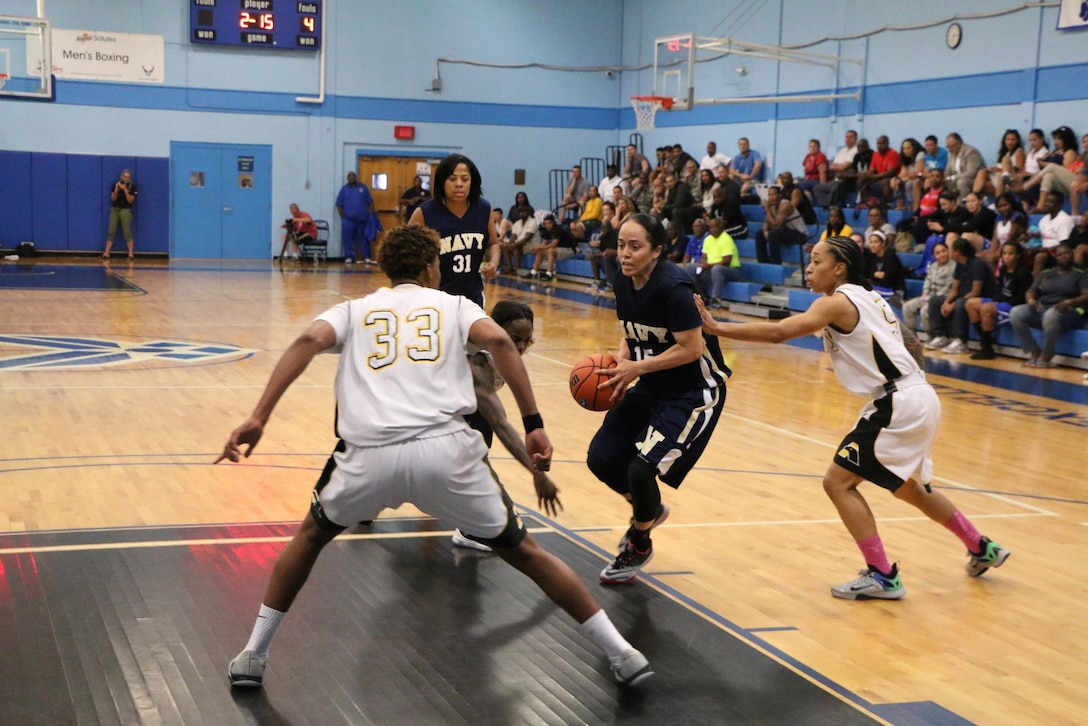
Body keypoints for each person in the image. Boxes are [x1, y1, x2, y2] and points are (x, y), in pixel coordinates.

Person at [219, 225, 653, 689]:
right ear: (431, 267)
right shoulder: (455, 305)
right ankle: (622, 653)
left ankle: (253, 655)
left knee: (308, 540)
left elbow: (306, 341)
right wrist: (534, 424)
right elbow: (502, 343)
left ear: (389, 267)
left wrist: (259, 416)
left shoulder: (353, 310)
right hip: (448, 454)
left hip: (368, 455)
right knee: (526, 552)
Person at [697, 236, 1012, 600]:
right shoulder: (874, 298)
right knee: (909, 487)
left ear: (839, 268)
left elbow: (779, 332)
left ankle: (882, 576)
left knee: (838, 483)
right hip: (918, 395)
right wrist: (913, 387)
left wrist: (718, 328)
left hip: (898, 401)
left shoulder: (835, 302)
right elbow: (913, 344)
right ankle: (980, 546)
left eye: (816, 261)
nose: (810, 268)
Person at [588, 214, 729, 586]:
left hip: (693, 391)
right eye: (621, 245)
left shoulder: (674, 289)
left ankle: (639, 541)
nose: (625, 253)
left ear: (656, 251)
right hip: (652, 382)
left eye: (635, 246)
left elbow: (691, 348)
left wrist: (636, 368)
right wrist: (622, 361)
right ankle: (647, 510)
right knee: (600, 457)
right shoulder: (622, 279)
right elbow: (631, 333)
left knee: (640, 467)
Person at [452, 300, 563, 551]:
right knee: (475, 454)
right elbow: (501, 422)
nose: (521, 346)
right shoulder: (477, 359)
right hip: (420, 410)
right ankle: (471, 525)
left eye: (527, 340)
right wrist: (538, 475)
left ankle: (468, 523)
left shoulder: (500, 355)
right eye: (515, 339)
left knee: (476, 448)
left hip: (454, 407)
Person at [410, 153, 499, 307]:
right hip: (436, 298)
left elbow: (493, 243)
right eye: (452, 179)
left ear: (472, 182)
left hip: (473, 296)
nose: (459, 184)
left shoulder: (484, 209)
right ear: (442, 183)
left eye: (465, 179)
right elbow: (403, 249)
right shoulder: (425, 212)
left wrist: (493, 263)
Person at [1009, 242, 1088, 367]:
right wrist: (1031, 301)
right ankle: (1034, 350)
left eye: (1066, 253)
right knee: (1016, 313)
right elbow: (1031, 291)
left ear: (1072, 255)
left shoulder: (1080, 273)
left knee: (1050, 315)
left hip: (1071, 311)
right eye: (1060, 254)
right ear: (1055, 258)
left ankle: (1047, 354)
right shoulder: (1046, 273)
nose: (1063, 256)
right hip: (1044, 308)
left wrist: (1069, 302)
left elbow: (1086, 295)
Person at [926, 238, 997, 354]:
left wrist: (953, 304)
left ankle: (961, 341)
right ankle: (941, 335)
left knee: (960, 303)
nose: (951, 253)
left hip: (981, 299)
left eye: (952, 250)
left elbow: (976, 291)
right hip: (964, 297)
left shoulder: (977, 264)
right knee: (935, 300)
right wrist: (946, 302)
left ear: (958, 251)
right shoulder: (959, 265)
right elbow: (954, 289)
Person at [966, 241, 1034, 360]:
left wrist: (999, 303)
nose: (1006, 256)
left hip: (1014, 306)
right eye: (1004, 253)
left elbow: (1021, 298)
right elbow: (999, 290)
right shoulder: (1002, 269)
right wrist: (997, 301)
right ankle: (985, 340)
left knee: (986, 308)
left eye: (1010, 253)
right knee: (970, 303)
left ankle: (987, 349)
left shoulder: (1023, 273)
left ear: (1018, 255)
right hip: (1002, 302)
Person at [901, 240, 954, 337]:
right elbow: (928, 280)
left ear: (948, 251)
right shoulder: (933, 266)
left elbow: (949, 287)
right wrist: (925, 293)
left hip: (942, 298)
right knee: (907, 307)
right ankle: (912, 337)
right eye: (938, 253)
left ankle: (932, 336)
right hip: (928, 296)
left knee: (924, 310)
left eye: (944, 251)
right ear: (934, 256)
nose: (942, 254)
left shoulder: (954, 267)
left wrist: (932, 301)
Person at [755, 186, 808, 265]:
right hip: (785, 232)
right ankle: (763, 263)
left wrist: (767, 209)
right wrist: (765, 230)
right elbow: (767, 222)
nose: (772, 197)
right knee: (759, 234)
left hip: (800, 234)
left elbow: (776, 225)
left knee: (773, 233)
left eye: (774, 194)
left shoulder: (785, 205)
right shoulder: (772, 206)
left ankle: (775, 264)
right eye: (770, 195)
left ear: (779, 195)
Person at [336, 172, 376, 264]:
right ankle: (349, 257)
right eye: (349, 176)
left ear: (356, 177)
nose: (352, 177)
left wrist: (371, 214)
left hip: (363, 219)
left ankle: (366, 257)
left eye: (353, 175)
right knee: (348, 239)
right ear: (347, 178)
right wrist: (343, 217)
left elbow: (370, 201)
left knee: (364, 238)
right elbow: (338, 204)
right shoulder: (344, 190)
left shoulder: (363, 188)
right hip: (348, 220)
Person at [104, 169, 137, 260]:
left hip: (125, 210)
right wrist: (116, 189)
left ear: (130, 178)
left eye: (128, 177)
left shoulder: (132, 187)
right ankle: (107, 253)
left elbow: (130, 200)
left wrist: (125, 190)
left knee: (127, 232)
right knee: (111, 231)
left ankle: (131, 254)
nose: (126, 178)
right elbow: (113, 199)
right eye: (124, 176)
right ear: (121, 176)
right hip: (115, 209)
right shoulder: (116, 184)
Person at [504, 204, 539, 274]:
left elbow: (527, 238)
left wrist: (514, 245)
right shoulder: (517, 223)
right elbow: (513, 236)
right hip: (520, 244)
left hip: (531, 245)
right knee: (505, 247)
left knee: (515, 247)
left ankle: (518, 268)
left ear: (528, 213)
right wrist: (510, 244)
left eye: (523, 212)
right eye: (520, 212)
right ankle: (510, 267)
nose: (521, 214)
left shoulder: (533, 222)